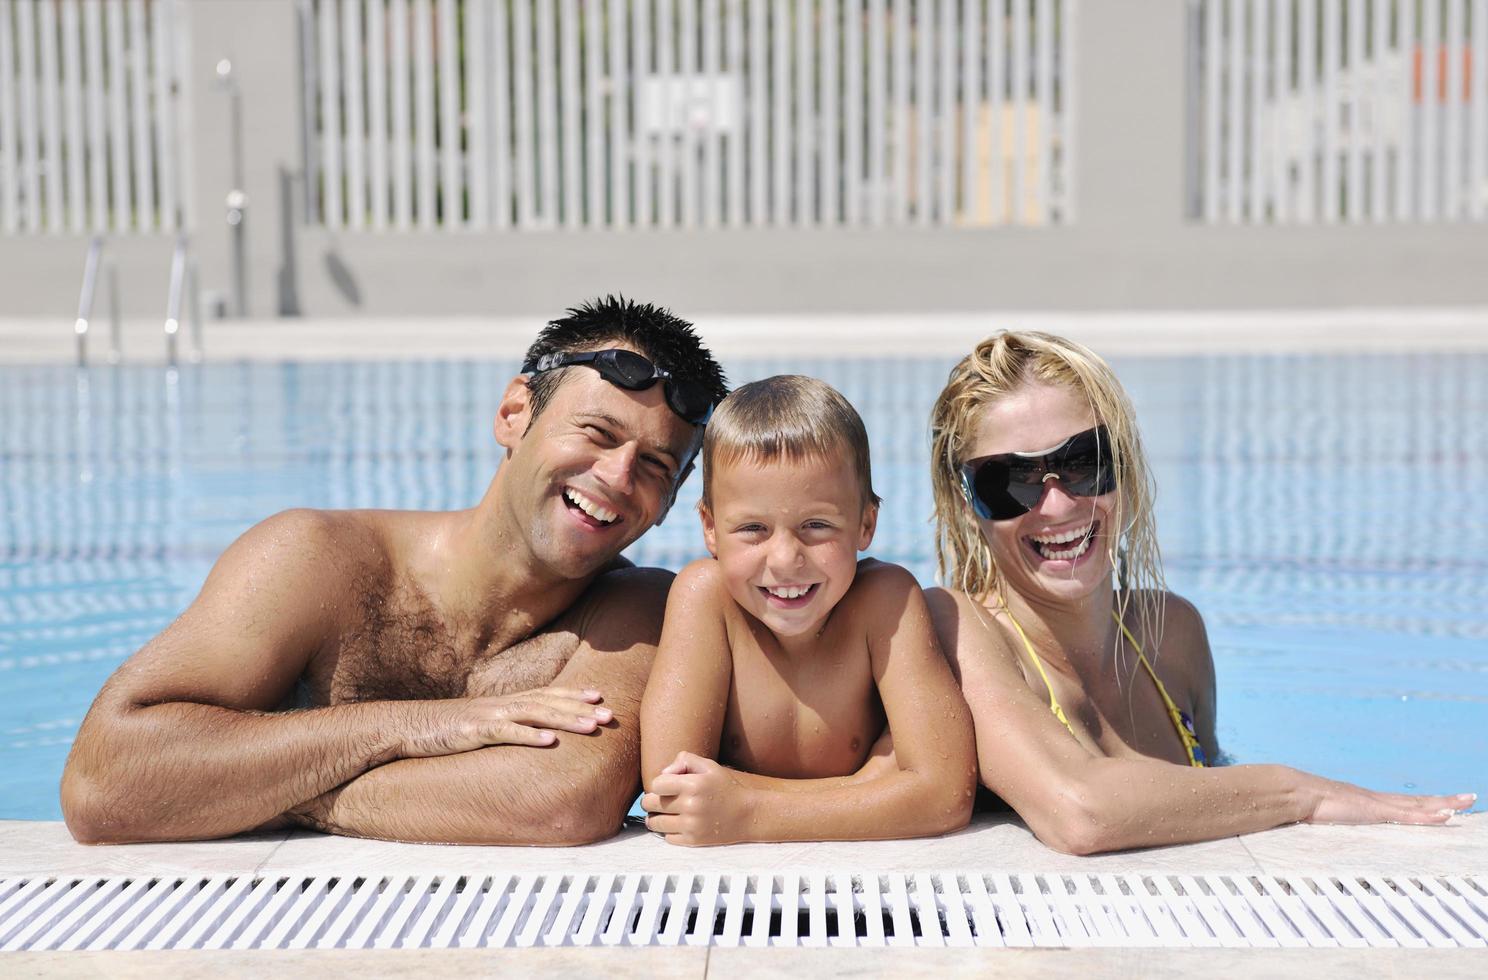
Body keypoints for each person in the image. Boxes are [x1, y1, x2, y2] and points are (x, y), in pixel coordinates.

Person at [60, 297, 729, 846]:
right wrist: (413, 727)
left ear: (673, 499)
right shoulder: (314, 560)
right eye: (597, 433)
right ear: (513, 414)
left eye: (654, 467)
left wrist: (260, 792)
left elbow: (558, 802)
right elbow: (104, 784)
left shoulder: (637, 616)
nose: (616, 478)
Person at [925, 330, 1476, 855]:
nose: (1058, 506)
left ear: (1125, 457)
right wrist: (1301, 792)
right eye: (1008, 483)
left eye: (1082, 462)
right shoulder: (961, 632)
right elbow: (1080, 812)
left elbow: (1211, 793)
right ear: (967, 501)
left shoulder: (1173, 634)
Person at [639, 376, 976, 845]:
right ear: (710, 528)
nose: (785, 560)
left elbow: (945, 794)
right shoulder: (706, 599)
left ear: (866, 524)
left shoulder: (885, 603)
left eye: (816, 526)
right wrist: (866, 788)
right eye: (753, 528)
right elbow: (672, 790)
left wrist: (750, 811)